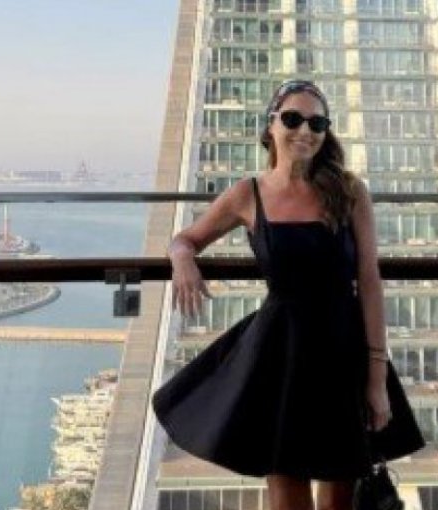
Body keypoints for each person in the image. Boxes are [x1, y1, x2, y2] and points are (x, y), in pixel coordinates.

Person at [152, 79, 424, 510]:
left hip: (342, 352)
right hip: (280, 355)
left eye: (317, 123)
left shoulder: (349, 190)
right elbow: (185, 239)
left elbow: (369, 280)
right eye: (293, 119)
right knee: (287, 492)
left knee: (339, 497)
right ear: (271, 126)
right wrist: (182, 258)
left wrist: (376, 381)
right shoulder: (248, 194)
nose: (305, 131)